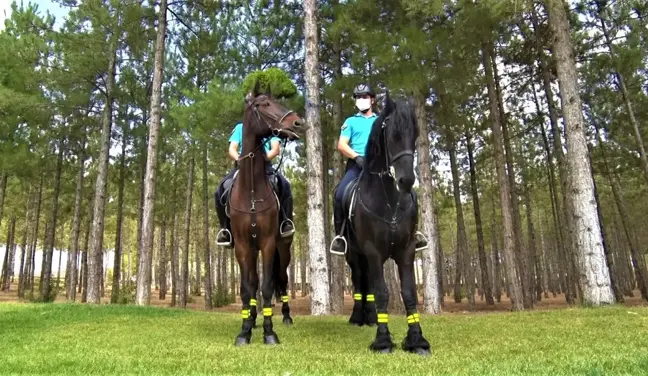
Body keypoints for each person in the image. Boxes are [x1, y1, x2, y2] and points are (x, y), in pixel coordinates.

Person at [329, 83, 429, 255]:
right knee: (339, 194)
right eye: (358, 97)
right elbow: (342, 145)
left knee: (410, 192)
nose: (361, 100)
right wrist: (357, 157)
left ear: (372, 100)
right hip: (357, 165)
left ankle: (413, 232)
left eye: (365, 97)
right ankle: (341, 237)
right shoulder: (350, 122)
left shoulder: (381, 121)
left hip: (380, 166)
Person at [214, 121, 295, 247]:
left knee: (284, 185)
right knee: (220, 189)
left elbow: (275, 149)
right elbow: (232, 148)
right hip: (242, 166)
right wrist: (240, 159)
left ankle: (285, 221)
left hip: (265, 166)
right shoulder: (241, 127)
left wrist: (261, 160)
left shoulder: (271, 129)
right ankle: (225, 228)